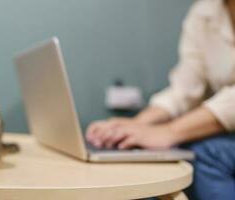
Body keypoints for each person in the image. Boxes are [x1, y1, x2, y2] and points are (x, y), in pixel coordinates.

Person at [86, 0, 235, 199]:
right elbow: (184, 89)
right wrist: (133, 126)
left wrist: (169, 131)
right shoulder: (204, 12)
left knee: (206, 153)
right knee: (148, 152)